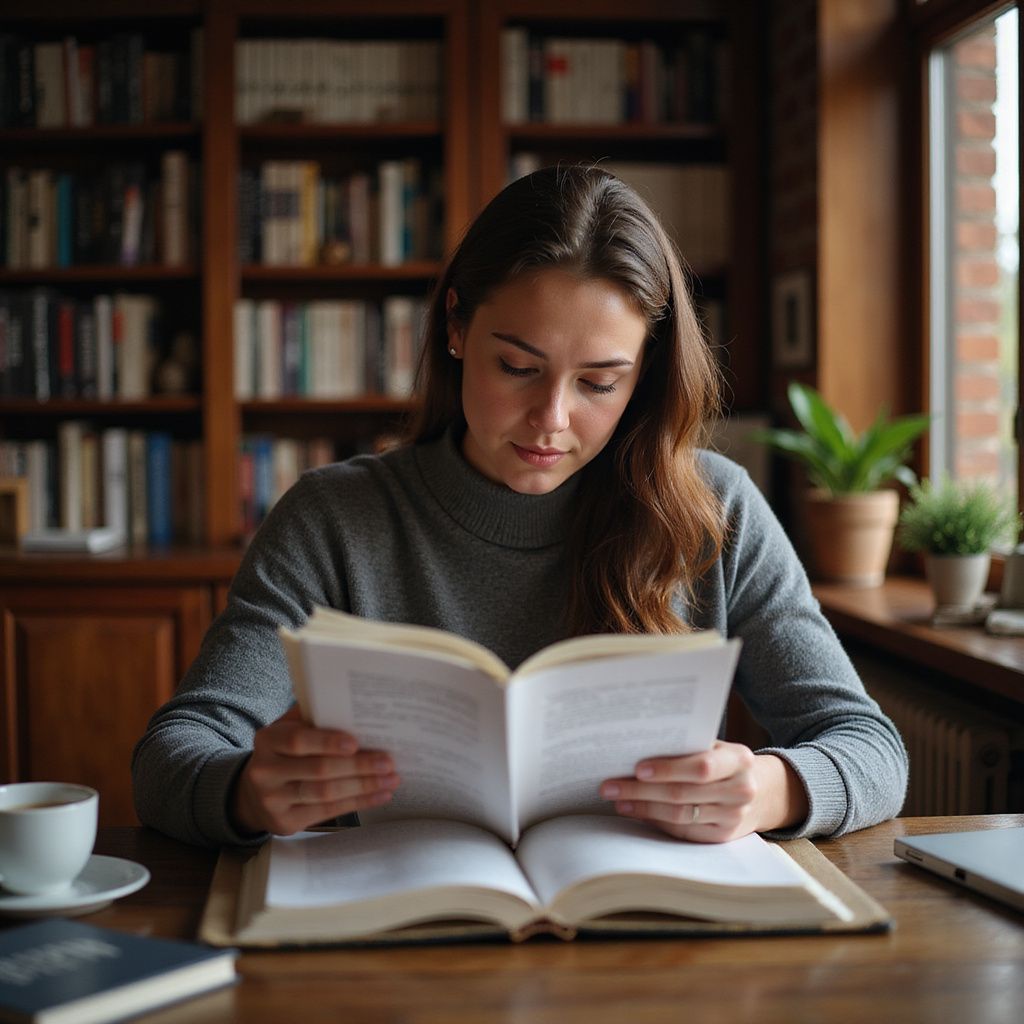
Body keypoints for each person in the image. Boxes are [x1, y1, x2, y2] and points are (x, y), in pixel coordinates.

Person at [132, 165, 907, 848]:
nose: (552, 419)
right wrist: (242, 791)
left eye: (600, 382)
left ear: (645, 376)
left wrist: (772, 788)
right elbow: (176, 753)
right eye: (518, 366)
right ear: (457, 327)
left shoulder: (715, 508)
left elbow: (871, 749)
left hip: (642, 940)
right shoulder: (333, 520)